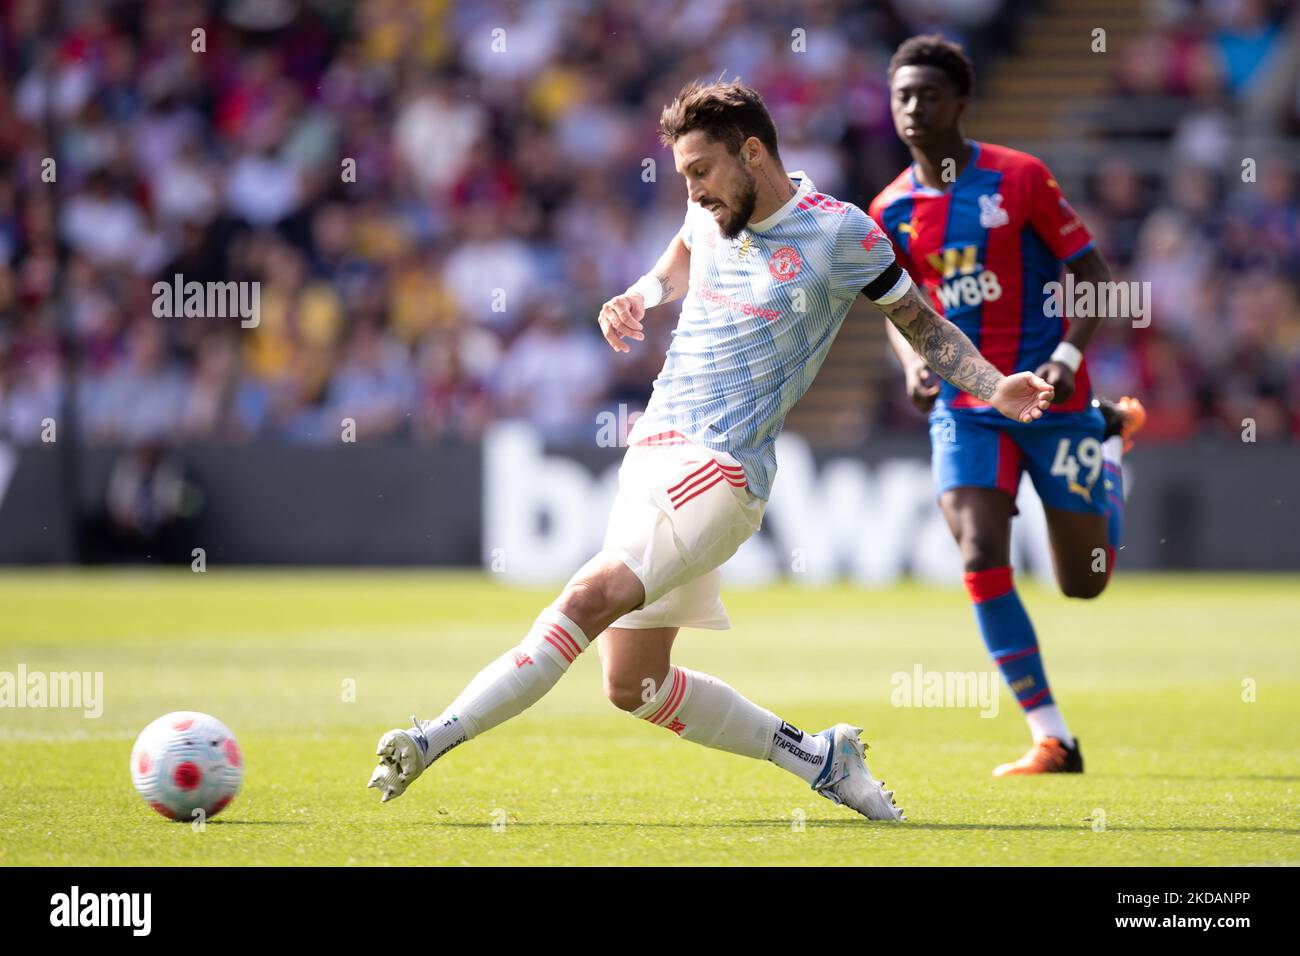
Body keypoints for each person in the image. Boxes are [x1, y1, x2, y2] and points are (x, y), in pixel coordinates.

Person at [368, 78, 1056, 818]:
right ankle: (821, 757)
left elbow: (922, 324)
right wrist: (640, 294)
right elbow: (679, 255)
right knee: (634, 685)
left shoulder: (840, 233)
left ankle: (433, 736)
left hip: (723, 470)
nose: (692, 190)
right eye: (683, 175)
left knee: (585, 597)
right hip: (654, 449)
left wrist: (991, 385)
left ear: (751, 152)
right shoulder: (710, 213)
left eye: (700, 170)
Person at [869, 36, 1146, 776]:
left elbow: (1095, 275)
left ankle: (1111, 440)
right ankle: (1052, 736)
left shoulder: (1018, 177)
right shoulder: (890, 209)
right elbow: (899, 308)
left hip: (1055, 401)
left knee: (1083, 582)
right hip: (965, 404)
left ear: (961, 101)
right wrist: (910, 364)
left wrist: (1064, 359)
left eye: (928, 94)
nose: (913, 108)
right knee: (978, 550)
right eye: (902, 95)